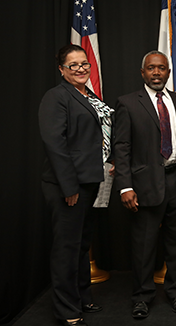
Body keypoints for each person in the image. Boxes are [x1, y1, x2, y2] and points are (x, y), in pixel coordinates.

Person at [39, 44, 113, 326]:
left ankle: (82, 298)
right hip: (67, 187)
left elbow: (96, 136)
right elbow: (55, 144)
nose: (81, 69)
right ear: (61, 69)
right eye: (73, 65)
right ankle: (66, 309)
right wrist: (68, 187)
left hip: (91, 181)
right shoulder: (55, 97)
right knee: (66, 249)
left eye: (84, 64)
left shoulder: (88, 95)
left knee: (82, 246)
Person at [114, 51, 176, 319]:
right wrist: (125, 186)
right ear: (142, 73)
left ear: (169, 73)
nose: (156, 73)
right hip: (144, 185)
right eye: (151, 68)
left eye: (161, 68)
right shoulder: (127, 103)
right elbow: (121, 147)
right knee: (144, 245)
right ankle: (142, 297)